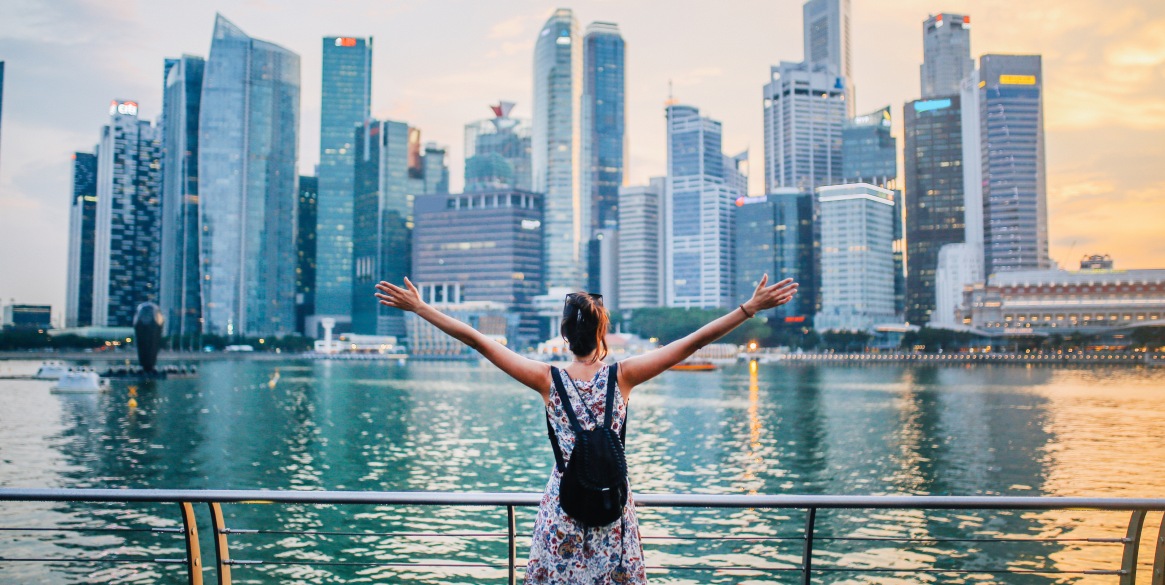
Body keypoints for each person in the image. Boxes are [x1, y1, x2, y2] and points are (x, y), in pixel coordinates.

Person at [374, 274, 799, 584]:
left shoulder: (546, 378)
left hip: (564, 510)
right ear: (603, 332)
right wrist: (749, 309)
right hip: (612, 511)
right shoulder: (624, 376)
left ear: (564, 334)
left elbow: (479, 341)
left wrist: (421, 307)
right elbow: (692, 343)